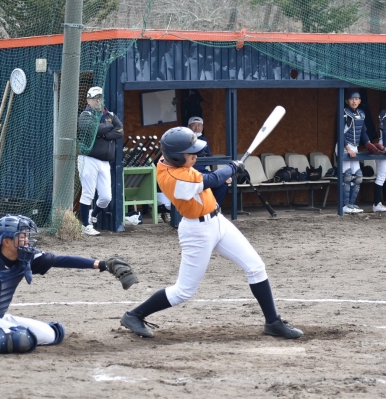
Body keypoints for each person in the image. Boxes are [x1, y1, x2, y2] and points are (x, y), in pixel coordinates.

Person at [119, 127, 303, 339]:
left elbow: (208, 180)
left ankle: (273, 322)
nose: (195, 156)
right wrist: (231, 168)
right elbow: (211, 179)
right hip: (197, 232)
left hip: (218, 221)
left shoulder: (174, 163)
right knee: (183, 291)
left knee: (256, 267)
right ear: (176, 156)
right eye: (190, 153)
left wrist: (228, 174)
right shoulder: (172, 176)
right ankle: (134, 315)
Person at [0, 214, 137, 358]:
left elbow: (61, 260)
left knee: (54, 333)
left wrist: (102, 264)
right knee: (22, 338)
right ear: (6, 241)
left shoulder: (25, 259)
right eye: (22, 236)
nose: (27, 240)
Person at [77, 86, 123, 236]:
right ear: (89, 100)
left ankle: (93, 214)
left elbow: (120, 130)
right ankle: (85, 225)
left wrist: (104, 134)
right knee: (88, 193)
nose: (98, 101)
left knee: (106, 197)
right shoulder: (85, 114)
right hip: (88, 158)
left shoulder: (109, 114)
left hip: (104, 161)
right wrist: (108, 127)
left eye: (100, 98)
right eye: (95, 98)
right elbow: (94, 129)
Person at [336, 91, 371, 214]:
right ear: (347, 101)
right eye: (351, 99)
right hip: (343, 146)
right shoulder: (344, 113)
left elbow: (363, 132)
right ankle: (344, 205)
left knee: (358, 177)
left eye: (357, 99)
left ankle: (351, 204)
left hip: (354, 147)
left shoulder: (361, 113)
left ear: (360, 101)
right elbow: (340, 133)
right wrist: (347, 148)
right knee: (347, 176)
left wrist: (369, 144)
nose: (354, 101)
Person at [188, 116, 229, 207]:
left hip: (203, 172)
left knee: (223, 182)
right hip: (189, 172)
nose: (197, 128)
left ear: (202, 127)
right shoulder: (185, 140)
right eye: (194, 125)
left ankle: (214, 208)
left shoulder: (204, 141)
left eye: (199, 125)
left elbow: (209, 158)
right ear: (189, 127)